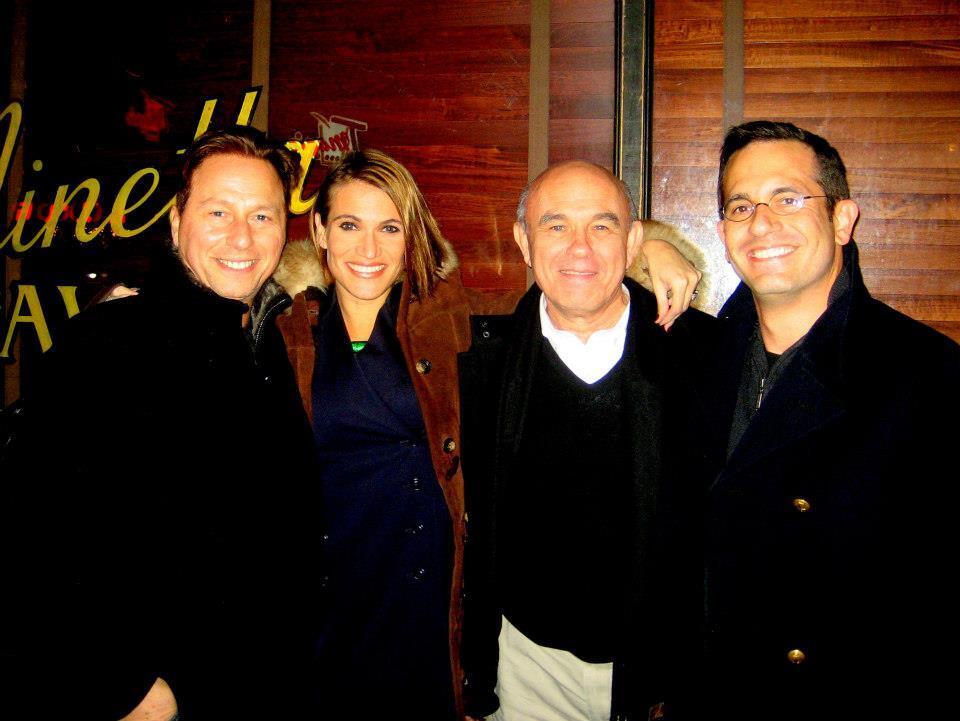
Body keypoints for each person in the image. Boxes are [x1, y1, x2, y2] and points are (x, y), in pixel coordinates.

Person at [266, 149, 703, 720]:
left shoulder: (457, 324)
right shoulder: (285, 333)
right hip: (332, 596)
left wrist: (651, 251)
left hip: (432, 600)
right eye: (349, 225)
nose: (369, 248)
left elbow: (573, 285)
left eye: (390, 227)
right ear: (320, 231)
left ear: (411, 236)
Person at [1, 126, 321, 720]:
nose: (242, 236)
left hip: (263, 685)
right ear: (176, 224)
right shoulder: (110, 341)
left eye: (262, 216)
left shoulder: (267, 344)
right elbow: (31, 531)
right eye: (218, 212)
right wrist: (121, 687)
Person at [705, 120, 960, 720]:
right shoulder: (697, 358)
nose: (761, 223)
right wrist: (648, 247)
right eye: (741, 206)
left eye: (788, 199)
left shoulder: (927, 374)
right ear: (723, 233)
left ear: (843, 219)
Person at [459, 160, 718, 721]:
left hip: (664, 670)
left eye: (602, 225)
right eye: (555, 225)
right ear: (523, 241)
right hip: (528, 666)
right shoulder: (480, 361)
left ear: (633, 240)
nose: (579, 247)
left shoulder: (704, 355)